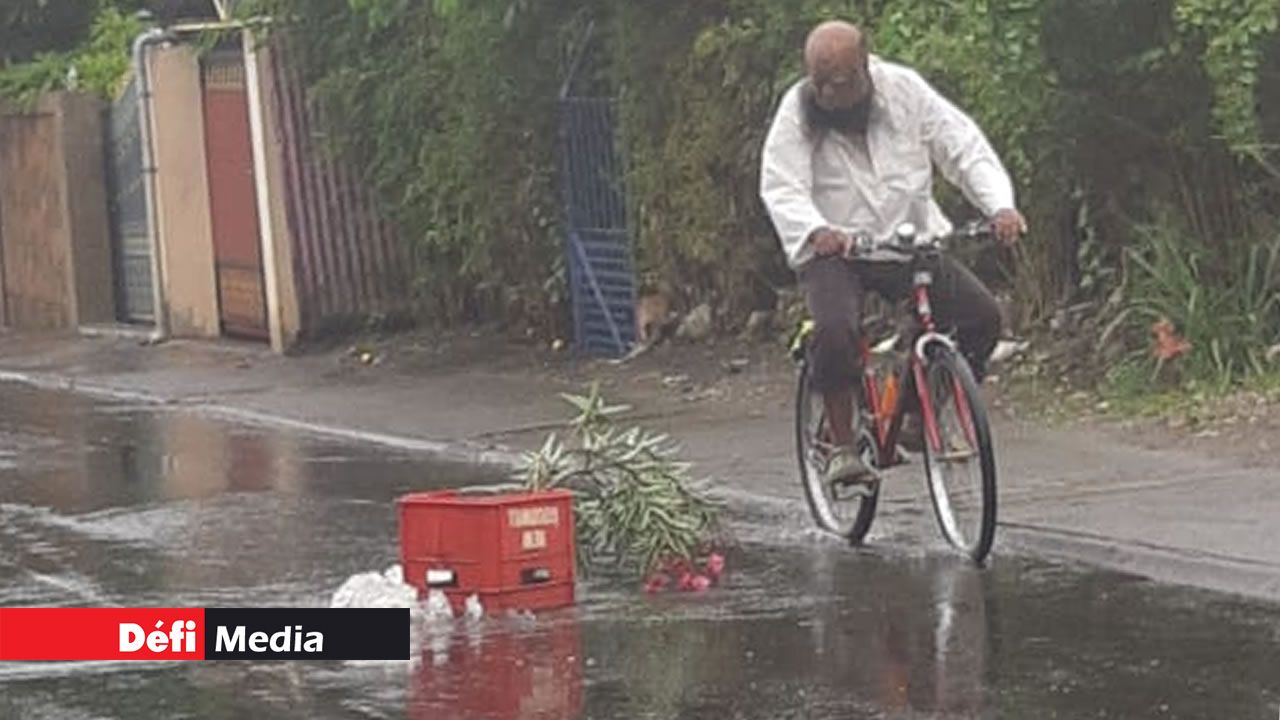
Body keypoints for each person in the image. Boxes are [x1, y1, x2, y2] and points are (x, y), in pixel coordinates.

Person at [759, 20, 1027, 492]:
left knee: (982, 318)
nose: (830, 96)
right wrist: (816, 229)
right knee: (836, 331)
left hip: (908, 243)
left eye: (841, 84)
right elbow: (781, 183)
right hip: (835, 250)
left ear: (866, 69)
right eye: (821, 85)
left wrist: (999, 206)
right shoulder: (797, 112)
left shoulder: (904, 91)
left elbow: (962, 147)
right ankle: (842, 447)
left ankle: (912, 416)